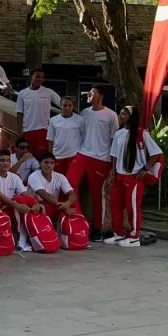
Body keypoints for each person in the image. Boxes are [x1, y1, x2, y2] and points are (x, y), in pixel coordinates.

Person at [65, 85, 118, 241]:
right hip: (83, 154)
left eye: (92, 93)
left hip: (102, 159)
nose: (88, 95)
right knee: (69, 182)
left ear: (100, 96)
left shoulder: (111, 115)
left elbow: (114, 141)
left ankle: (97, 228)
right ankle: (78, 217)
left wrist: (113, 167)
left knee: (97, 195)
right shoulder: (85, 113)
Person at [105, 106, 162, 247]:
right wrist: (112, 172)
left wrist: (145, 169)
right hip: (119, 175)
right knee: (115, 205)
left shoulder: (141, 133)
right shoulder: (118, 133)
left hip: (133, 176)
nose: (121, 116)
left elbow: (156, 153)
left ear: (131, 117)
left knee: (132, 207)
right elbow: (114, 155)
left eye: (124, 114)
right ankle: (118, 233)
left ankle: (134, 236)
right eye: (120, 113)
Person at [0, 149, 39, 250]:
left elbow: (25, 194)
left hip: (12, 206)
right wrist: (17, 205)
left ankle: (34, 235)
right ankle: (20, 238)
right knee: (19, 201)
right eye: (2, 160)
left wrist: (35, 203)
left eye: (8, 160)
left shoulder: (15, 177)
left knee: (27, 201)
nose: (6, 163)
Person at [15, 69, 61, 157]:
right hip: (28, 131)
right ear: (31, 77)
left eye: (42, 77)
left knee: (41, 158)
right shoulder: (22, 93)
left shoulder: (48, 92)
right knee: (27, 158)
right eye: (37, 77)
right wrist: (20, 131)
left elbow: (62, 104)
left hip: (44, 131)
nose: (40, 79)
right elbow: (19, 113)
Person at [28, 152, 79, 223]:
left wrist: (67, 204)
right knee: (47, 206)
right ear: (40, 163)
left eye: (52, 163)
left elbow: (71, 193)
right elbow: (44, 194)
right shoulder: (33, 176)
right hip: (36, 205)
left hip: (55, 204)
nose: (49, 165)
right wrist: (63, 207)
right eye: (46, 162)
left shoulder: (60, 176)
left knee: (73, 203)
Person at [47, 96, 86, 175]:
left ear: (73, 106)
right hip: (57, 156)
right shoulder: (53, 120)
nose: (67, 108)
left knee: (71, 182)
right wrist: (50, 155)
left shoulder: (80, 120)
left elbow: (84, 138)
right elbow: (50, 139)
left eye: (70, 105)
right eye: (65, 105)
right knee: (58, 181)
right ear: (61, 106)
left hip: (73, 156)